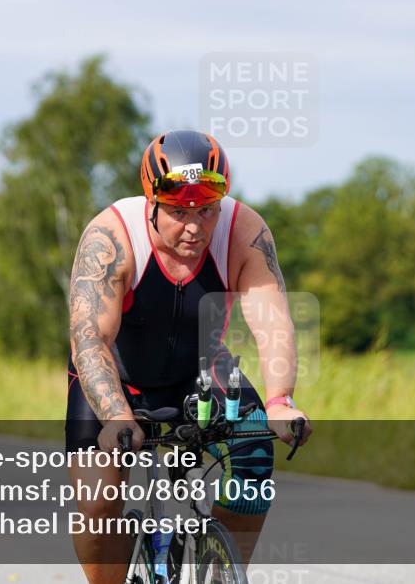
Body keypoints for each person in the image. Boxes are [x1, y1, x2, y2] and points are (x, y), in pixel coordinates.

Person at [66, 130, 312, 584]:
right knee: (99, 502)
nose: (195, 227)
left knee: (255, 455)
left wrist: (280, 401)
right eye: (179, 212)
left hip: (200, 372)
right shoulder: (111, 235)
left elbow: (273, 322)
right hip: (114, 377)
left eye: (207, 211)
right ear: (152, 202)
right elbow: (90, 339)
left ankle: (221, 571)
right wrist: (118, 416)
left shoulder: (246, 231)